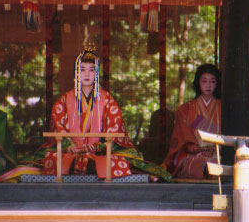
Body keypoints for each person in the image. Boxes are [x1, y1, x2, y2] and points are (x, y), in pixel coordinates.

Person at [38, 49, 171, 181]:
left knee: (117, 162)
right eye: (82, 69)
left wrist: (95, 147)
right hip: (70, 152)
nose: (87, 74)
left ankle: (87, 166)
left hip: (99, 153)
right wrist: (69, 146)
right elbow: (58, 125)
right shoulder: (64, 100)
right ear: (76, 73)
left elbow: (114, 129)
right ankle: (80, 165)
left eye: (91, 69)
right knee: (53, 158)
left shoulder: (107, 100)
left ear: (96, 73)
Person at [161, 64, 221, 179]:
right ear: (198, 82)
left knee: (221, 165)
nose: (208, 85)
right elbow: (183, 137)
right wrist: (196, 147)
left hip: (218, 153)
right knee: (196, 167)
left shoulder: (224, 108)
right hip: (195, 154)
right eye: (204, 81)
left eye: (212, 82)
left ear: (217, 83)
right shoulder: (186, 109)